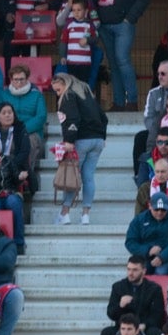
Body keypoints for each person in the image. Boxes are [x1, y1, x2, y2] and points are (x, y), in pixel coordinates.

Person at [89, 0, 150, 110]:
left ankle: (131, 101)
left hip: (123, 24)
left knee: (122, 60)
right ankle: (118, 102)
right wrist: (95, 19)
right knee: (113, 63)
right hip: (104, 24)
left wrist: (129, 18)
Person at [53, 71, 108, 226]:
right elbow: (104, 117)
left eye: (58, 90)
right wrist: (102, 137)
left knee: (71, 177)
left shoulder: (69, 96)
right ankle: (85, 216)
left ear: (65, 83)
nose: (58, 94)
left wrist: (69, 140)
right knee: (88, 177)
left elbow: (72, 119)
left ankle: (65, 214)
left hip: (80, 140)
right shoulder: (87, 94)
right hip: (97, 140)